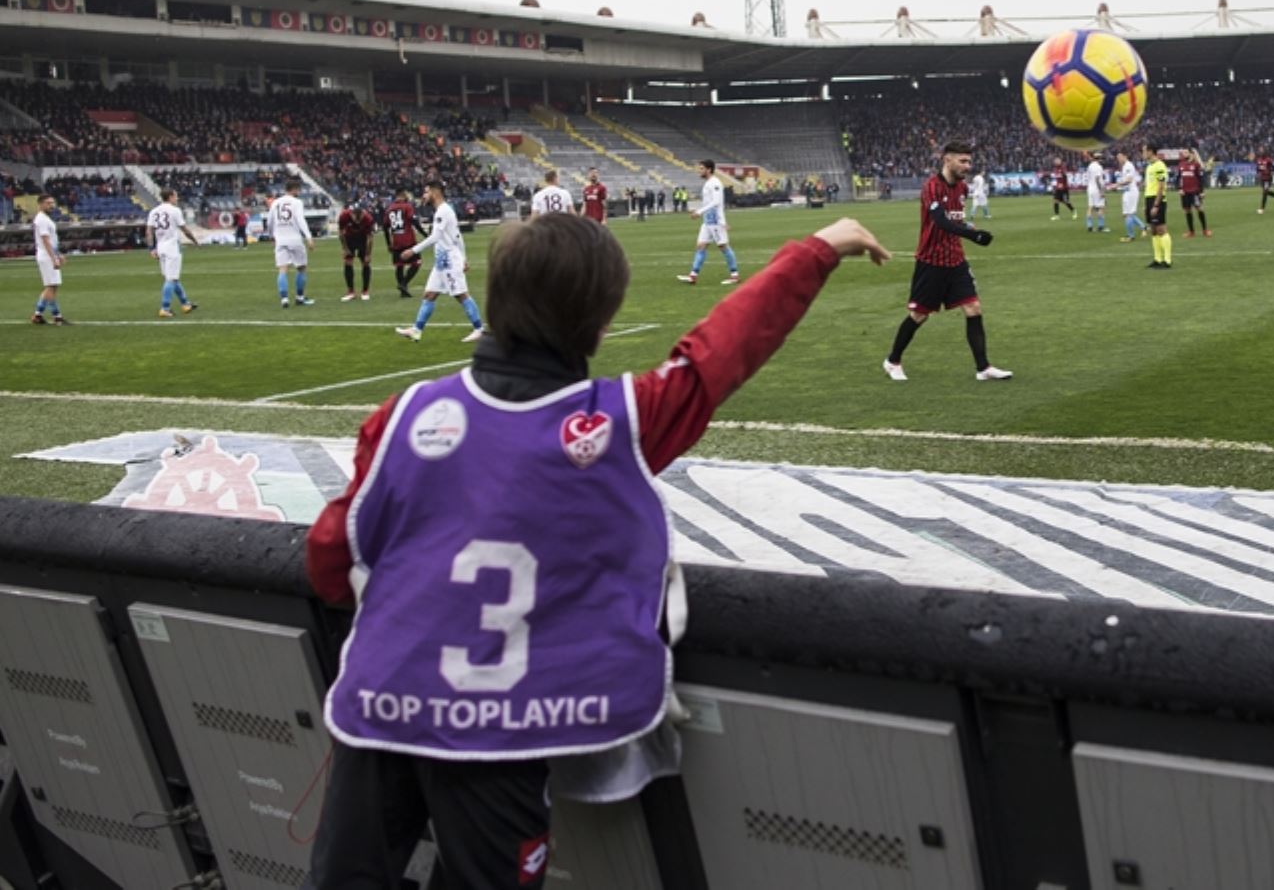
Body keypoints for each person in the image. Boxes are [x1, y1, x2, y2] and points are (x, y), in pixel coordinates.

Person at [302, 215, 888, 890]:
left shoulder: (403, 414)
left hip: (379, 710)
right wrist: (817, 249)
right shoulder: (620, 422)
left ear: (493, 301)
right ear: (602, 321)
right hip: (499, 738)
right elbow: (717, 354)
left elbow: (328, 558)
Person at [882, 141, 1011, 383]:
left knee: (973, 308)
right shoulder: (931, 187)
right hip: (931, 262)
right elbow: (940, 221)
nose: (968, 166)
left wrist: (972, 228)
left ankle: (983, 368)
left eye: (969, 161)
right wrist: (973, 235)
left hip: (956, 260)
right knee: (919, 315)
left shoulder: (962, 188)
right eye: (963, 161)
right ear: (947, 160)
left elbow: (956, 221)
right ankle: (892, 361)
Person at [397, 180, 485, 343]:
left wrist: (413, 250)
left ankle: (479, 329)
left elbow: (435, 237)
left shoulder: (443, 211)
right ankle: (417, 330)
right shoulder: (444, 210)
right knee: (429, 294)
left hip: (449, 260)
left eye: (426, 192)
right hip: (442, 261)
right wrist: (464, 258)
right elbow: (458, 236)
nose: (424, 195)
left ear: (435, 192)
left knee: (461, 295)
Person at [676, 160, 739, 286]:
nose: (699, 171)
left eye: (701, 168)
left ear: (709, 170)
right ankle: (693, 275)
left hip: (715, 220)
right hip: (707, 221)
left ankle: (734, 275)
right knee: (701, 246)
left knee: (723, 246)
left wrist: (700, 212)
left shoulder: (715, 183)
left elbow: (716, 202)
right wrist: (700, 211)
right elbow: (709, 202)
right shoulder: (708, 183)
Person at [145, 189, 200, 318]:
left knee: (171, 278)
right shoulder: (175, 211)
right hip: (172, 248)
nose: (177, 198)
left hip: (160, 247)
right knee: (171, 279)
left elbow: (148, 232)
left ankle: (185, 304)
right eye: (176, 196)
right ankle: (165, 308)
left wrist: (151, 249)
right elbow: (185, 230)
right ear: (170, 197)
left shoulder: (154, 211)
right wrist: (195, 241)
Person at [269, 178, 315, 307]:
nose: (299, 192)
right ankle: (300, 298)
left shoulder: (275, 203)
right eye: (298, 189)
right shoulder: (297, 202)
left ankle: (284, 299)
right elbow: (301, 220)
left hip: (280, 240)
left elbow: (270, 221)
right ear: (294, 189)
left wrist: (271, 235)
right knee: (301, 268)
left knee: (282, 269)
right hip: (294, 239)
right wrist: (309, 237)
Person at [28, 194, 65, 326]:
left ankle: (38, 315)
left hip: (49, 255)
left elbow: (52, 240)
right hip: (46, 255)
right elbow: (46, 241)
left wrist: (58, 254)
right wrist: (53, 258)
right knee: (50, 286)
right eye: (48, 203)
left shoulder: (45, 219)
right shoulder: (41, 220)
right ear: (41, 204)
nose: (52, 205)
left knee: (53, 285)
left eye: (52, 203)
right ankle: (57, 316)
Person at [384, 189, 424, 298]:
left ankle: (403, 291)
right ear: (402, 195)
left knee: (399, 266)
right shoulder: (407, 206)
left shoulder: (389, 209)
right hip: (408, 240)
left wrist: (388, 243)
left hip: (396, 241)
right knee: (417, 263)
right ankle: (404, 283)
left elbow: (385, 227)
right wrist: (425, 234)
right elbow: (414, 221)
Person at [338, 197, 376, 302]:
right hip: (349, 238)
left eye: (360, 215)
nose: (358, 220)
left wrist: (368, 254)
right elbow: (341, 233)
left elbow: (370, 238)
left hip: (363, 239)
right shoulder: (344, 216)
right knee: (348, 262)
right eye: (355, 216)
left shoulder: (368, 218)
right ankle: (351, 292)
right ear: (351, 213)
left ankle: (365, 291)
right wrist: (345, 248)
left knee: (365, 263)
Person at [1143, 143, 1172, 269]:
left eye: (1144, 151)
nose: (1143, 154)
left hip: (1157, 200)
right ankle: (1157, 259)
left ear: (1150, 152)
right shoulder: (1150, 166)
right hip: (1149, 199)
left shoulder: (1160, 165)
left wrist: (1156, 204)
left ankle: (1167, 260)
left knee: (1161, 229)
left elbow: (1161, 186)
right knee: (1154, 230)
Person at [1178, 149, 1211, 238]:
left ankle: (1205, 230)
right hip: (1185, 192)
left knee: (1199, 209)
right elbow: (1179, 178)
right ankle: (1191, 232)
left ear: (1191, 154)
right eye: (1183, 152)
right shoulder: (1181, 164)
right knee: (1187, 210)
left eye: (1186, 152)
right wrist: (1179, 188)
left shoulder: (1196, 165)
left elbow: (1201, 179)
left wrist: (1202, 191)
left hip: (1195, 192)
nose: (1184, 154)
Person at [1116, 151, 1144, 243]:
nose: (1118, 160)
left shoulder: (1128, 165)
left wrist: (1116, 184)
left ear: (1125, 156)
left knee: (1129, 215)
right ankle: (1143, 227)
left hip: (1131, 192)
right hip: (1126, 192)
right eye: (1117, 158)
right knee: (1126, 214)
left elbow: (1129, 180)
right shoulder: (1124, 166)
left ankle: (1130, 236)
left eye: (1120, 157)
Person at [1084, 152, 1108, 233]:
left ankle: (1089, 226)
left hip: (1090, 188)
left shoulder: (1090, 166)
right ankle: (1101, 227)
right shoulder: (1099, 167)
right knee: (1101, 207)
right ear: (1099, 158)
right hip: (1097, 189)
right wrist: (1101, 191)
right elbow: (1097, 179)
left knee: (1090, 207)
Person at [1255, 148, 1274, 214]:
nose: (1261, 153)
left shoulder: (1269, 160)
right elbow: (1258, 168)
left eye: (1262, 152)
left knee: (1265, 192)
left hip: (1268, 178)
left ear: (1265, 153)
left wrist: (1271, 171)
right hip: (1262, 178)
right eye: (1260, 152)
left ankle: (1262, 209)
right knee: (1266, 192)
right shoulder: (1258, 160)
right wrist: (1257, 174)